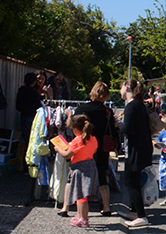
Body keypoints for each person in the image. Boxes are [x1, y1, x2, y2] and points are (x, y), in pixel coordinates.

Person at [58, 82, 117, 217]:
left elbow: (70, 125)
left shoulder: (82, 109)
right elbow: (112, 130)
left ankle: (65, 207)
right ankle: (106, 207)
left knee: (73, 177)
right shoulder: (107, 111)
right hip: (101, 147)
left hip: (82, 147)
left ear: (92, 92)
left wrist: (68, 115)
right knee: (102, 176)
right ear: (106, 95)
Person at [53, 114, 99, 228]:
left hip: (79, 169)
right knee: (81, 195)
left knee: (81, 196)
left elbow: (67, 155)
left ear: (75, 129)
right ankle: (80, 216)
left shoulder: (77, 140)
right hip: (90, 167)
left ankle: (84, 219)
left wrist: (58, 149)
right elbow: (94, 150)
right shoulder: (93, 139)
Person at [118, 79, 153, 227]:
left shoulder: (132, 106)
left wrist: (117, 123)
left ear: (126, 87)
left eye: (121, 88)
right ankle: (135, 211)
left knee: (130, 183)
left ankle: (141, 216)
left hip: (135, 151)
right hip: (142, 148)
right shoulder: (140, 105)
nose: (120, 91)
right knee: (135, 181)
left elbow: (126, 128)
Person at [16, 73, 43, 141]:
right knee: (33, 139)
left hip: (23, 116)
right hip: (32, 116)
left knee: (25, 137)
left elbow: (18, 105)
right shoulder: (34, 92)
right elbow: (38, 106)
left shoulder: (21, 90)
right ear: (34, 82)